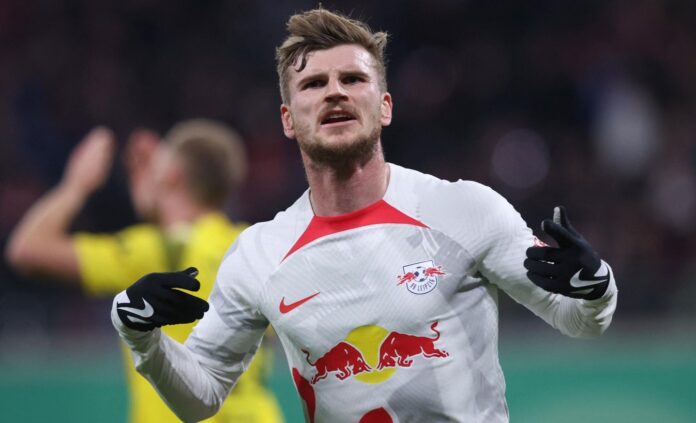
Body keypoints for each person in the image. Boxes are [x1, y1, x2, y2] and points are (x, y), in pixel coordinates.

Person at [109, 9, 618, 423]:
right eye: (313, 84)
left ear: (385, 106)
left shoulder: (464, 210)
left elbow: (578, 319)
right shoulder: (260, 254)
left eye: (353, 79)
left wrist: (595, 284)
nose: (335, 91)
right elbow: (202, 397)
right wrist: (140, 334)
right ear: (288, 119)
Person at [5, 119, 284, 423]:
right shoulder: (253, 246)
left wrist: (76, 185)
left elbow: (26, 250)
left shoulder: (154, 252)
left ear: (172, 176)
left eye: (153, 169)